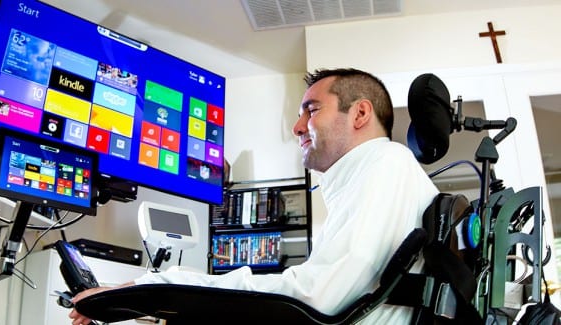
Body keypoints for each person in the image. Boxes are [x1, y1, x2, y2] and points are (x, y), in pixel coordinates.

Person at [69, 68, 439, 324]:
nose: (296, 127)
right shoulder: (381, 175)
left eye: (310, 110)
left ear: (359, 113)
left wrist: (156, 287)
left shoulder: (384, 165)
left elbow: (314, 298)